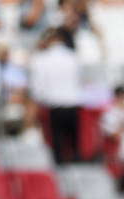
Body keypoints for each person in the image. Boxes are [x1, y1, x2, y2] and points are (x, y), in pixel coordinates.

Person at [28, 27, 81, 163]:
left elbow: (37, 87)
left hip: (54, 105)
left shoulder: (41, 58)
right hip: (73, 104)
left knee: (57, 144)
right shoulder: (73, 57)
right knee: (73, 144)